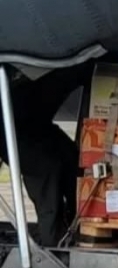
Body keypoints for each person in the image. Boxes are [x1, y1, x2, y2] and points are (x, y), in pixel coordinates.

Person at [0, 63, 92, 246]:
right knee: (48, 175)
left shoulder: (74, 66)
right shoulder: (65, 64)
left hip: (36, 125)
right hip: (13, 130)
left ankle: (78, 221)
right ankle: (52, 244)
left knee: (73, 160)